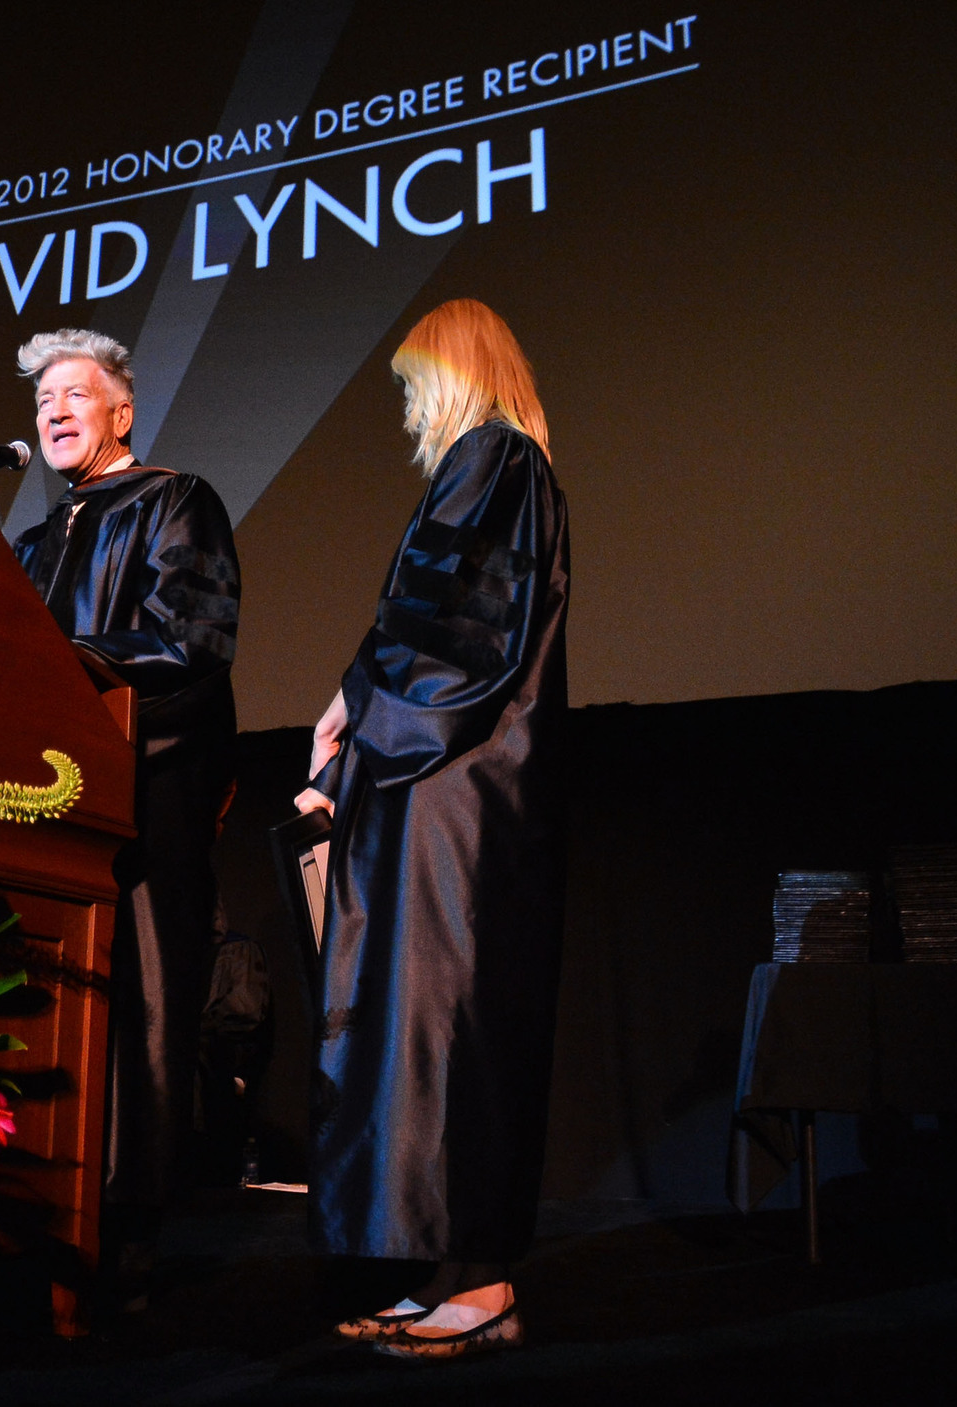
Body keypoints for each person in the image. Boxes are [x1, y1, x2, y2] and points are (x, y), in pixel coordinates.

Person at [296, 299, 569, 1358]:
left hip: (456, 784)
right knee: (426, 1022)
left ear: (454, 372)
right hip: (447, 780)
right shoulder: (501, 472)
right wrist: (349, 699)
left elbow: (454, 632)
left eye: (414, 384)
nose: (408, 408)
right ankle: (445, 1271)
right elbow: (419, 619)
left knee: (448, 1023)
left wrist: (359, 723)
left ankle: (483, 1285)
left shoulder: (493, 460)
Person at [9, 328, 241, 1295]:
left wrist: (70, 677)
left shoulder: (175, 500)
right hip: (36, 812)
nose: (56, 410)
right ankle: (26, 1201)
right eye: (42, 399)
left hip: (142, 799)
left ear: (121, 410)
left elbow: (192, 643)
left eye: (75, 392)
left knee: (142, 1002)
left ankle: (130, 1224)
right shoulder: (24, 542)